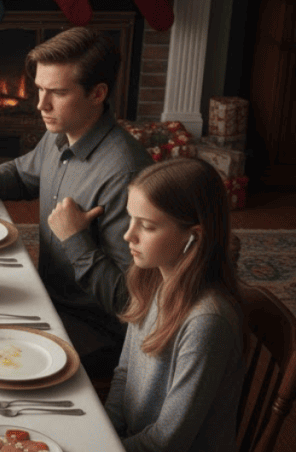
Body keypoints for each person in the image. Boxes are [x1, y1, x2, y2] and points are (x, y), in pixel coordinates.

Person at [0, 27, 153, 378]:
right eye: (40, 89)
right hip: (46, 299)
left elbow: (130, 304)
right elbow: (26, 174)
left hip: (93, 333)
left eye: (57, 92)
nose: (41, 104)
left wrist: (75, 239)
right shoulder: (63, 130)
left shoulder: (124, 175)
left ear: (97, 93)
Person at [104, 158, 243, 451]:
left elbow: (166, 442)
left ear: (194, 236)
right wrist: (101, 433)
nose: (128, 235)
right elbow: (124, 375)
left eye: (148, 226)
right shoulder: (152, 280)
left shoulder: (207, 321)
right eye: (130, 219)